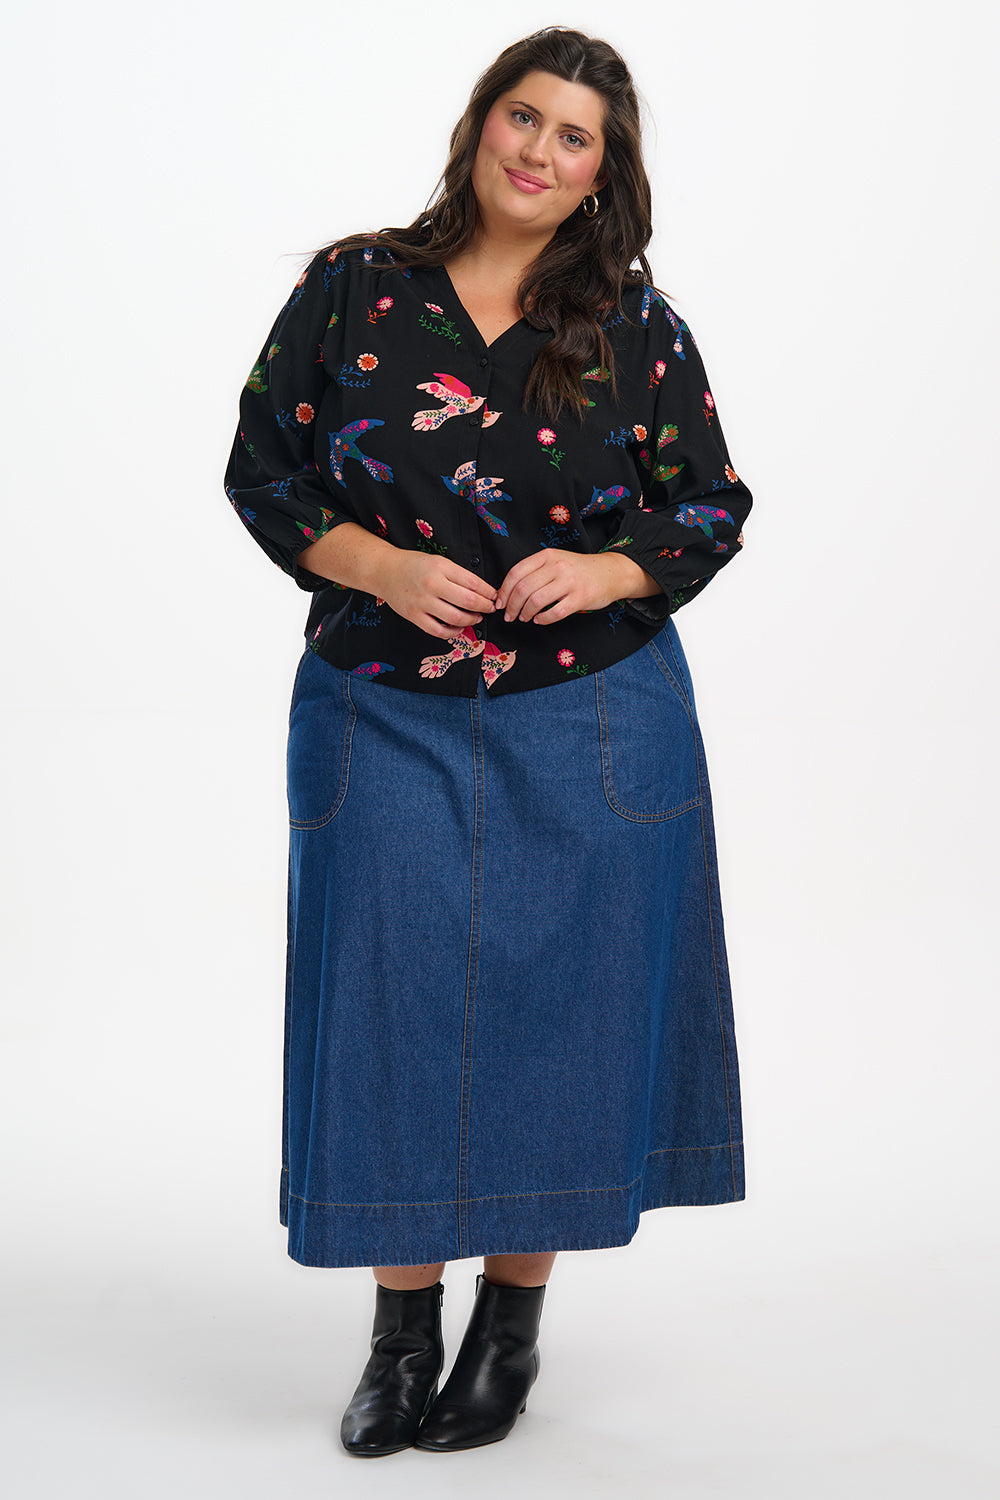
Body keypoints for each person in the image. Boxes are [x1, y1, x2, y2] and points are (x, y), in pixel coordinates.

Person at [224, 25, 752, 1459]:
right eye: (525, 116)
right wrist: (377, 565)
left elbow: (710, 502)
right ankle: (401, 1335)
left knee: (561, 1014)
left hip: (588, 710)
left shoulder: (634, 327)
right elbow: (259, 468)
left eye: (575, 137)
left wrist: (607, 568)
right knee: (390, 1002)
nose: (541, 149)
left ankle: (509, 1332)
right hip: (380, 698)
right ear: (479, 125)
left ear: (600, 177)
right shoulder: (353, 292)